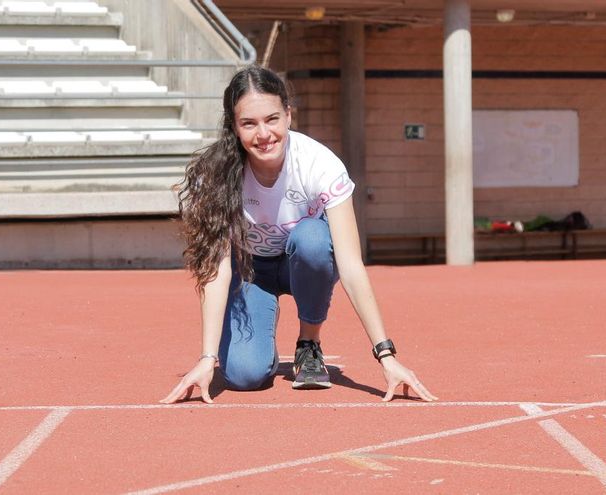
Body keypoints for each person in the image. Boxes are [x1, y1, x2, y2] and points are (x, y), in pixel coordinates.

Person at [161, 65, 437, 404]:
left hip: (303, 262)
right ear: (234, 126)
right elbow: (218, 270)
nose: (263, 134)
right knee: (243, 376)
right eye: (249, 123)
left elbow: (350, 266)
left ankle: (309, 343)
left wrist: (386, 355)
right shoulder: (216, 176)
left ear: (289, 115)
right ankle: (261, 328)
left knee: (313, 240)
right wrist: (207, 359)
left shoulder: (319, 164)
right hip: (251, 271)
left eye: (272, 119)